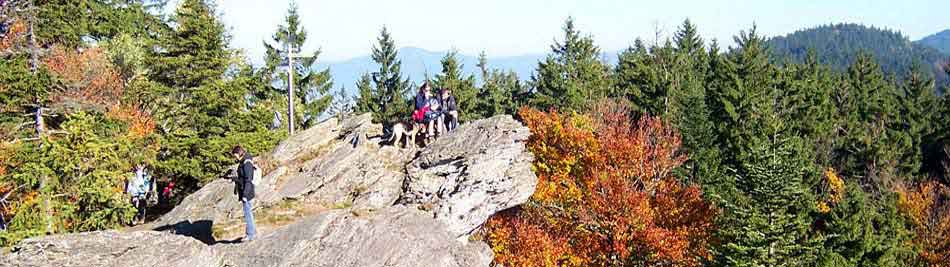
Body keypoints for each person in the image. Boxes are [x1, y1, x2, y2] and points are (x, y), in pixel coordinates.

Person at [231, 146, 257, 242]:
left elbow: (248, 180)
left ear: (239, 153)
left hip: (247, 193)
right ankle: (252, 232)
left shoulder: (247, 163)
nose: (235, 157)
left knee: (248, 214)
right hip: (246, 191)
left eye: (235, 155)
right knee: (248, 213)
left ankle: (250, 235)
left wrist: (245, 195)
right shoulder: (244, 160)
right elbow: (243, 178)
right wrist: (235, 179)